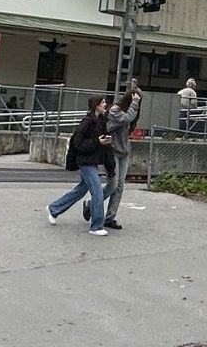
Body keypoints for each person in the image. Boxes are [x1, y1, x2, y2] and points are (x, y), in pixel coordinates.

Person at [46, 93, 114, 235]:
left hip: (91, 161)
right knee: (97, 192)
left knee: (81, 190)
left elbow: (99, 143)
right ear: (96, 105)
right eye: (102, 103)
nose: (105, 105)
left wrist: (103, 145)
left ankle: (54, 208)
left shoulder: (101, 121)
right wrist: (97, 142)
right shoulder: (87, 122)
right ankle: (96, 226)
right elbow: (77, 143)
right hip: (85, 161)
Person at [100, 81, 141, 229]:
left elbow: (130, 120)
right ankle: (91, 204)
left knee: (120, 186)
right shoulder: (115, 110)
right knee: (112, 184)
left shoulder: (130, 111)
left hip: (124, 151)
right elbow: (126, 118)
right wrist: (135, 103)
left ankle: (110, 217)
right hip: (112, 151)